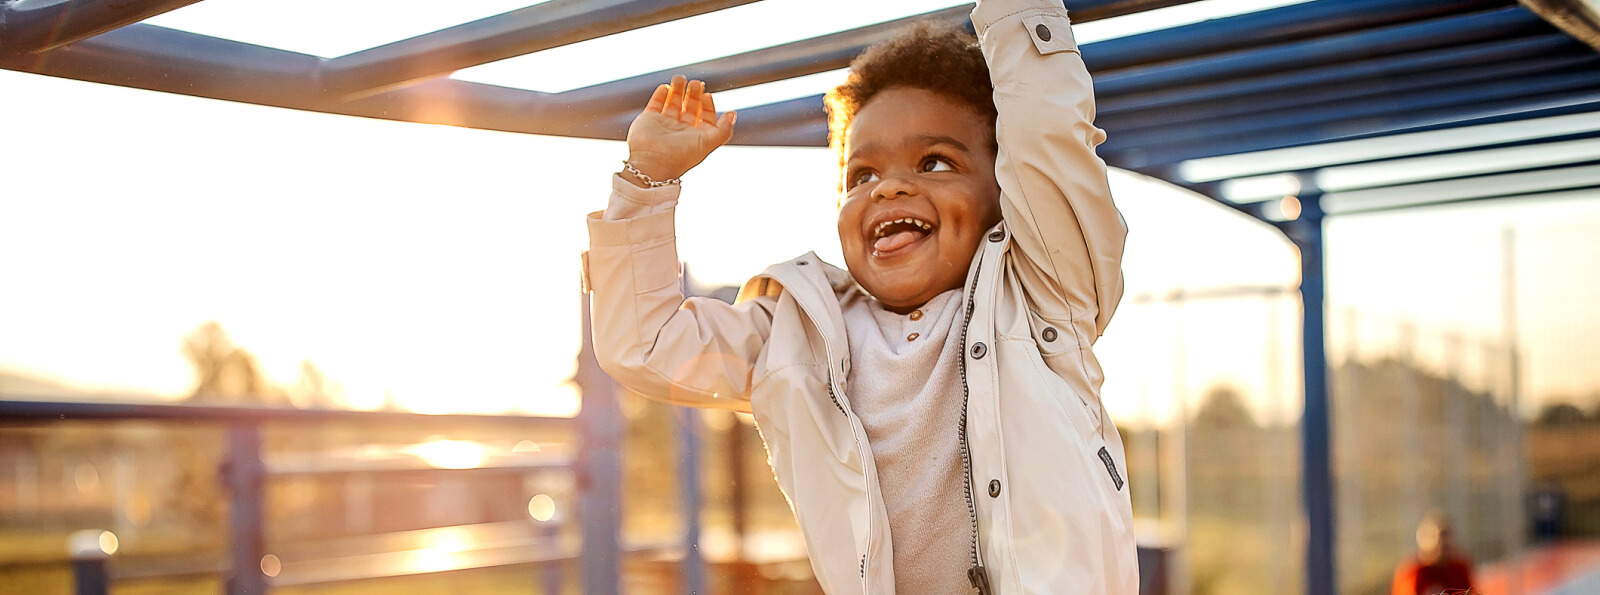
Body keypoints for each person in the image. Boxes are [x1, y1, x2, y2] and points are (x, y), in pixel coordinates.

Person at [582, 0, 1134, 592]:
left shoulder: (1040, 292)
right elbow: (645, 344)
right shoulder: (801, 335)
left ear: (1003, 192)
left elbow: (1048, 142)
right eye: (862, 175)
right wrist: (646, 183)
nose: (891, 187)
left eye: (934, 162)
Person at [1391, 511, 1474, 595]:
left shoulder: (1459, 570)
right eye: (1438, 537)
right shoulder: (1413, 572)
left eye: (1447, 536)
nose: (1443, 542)